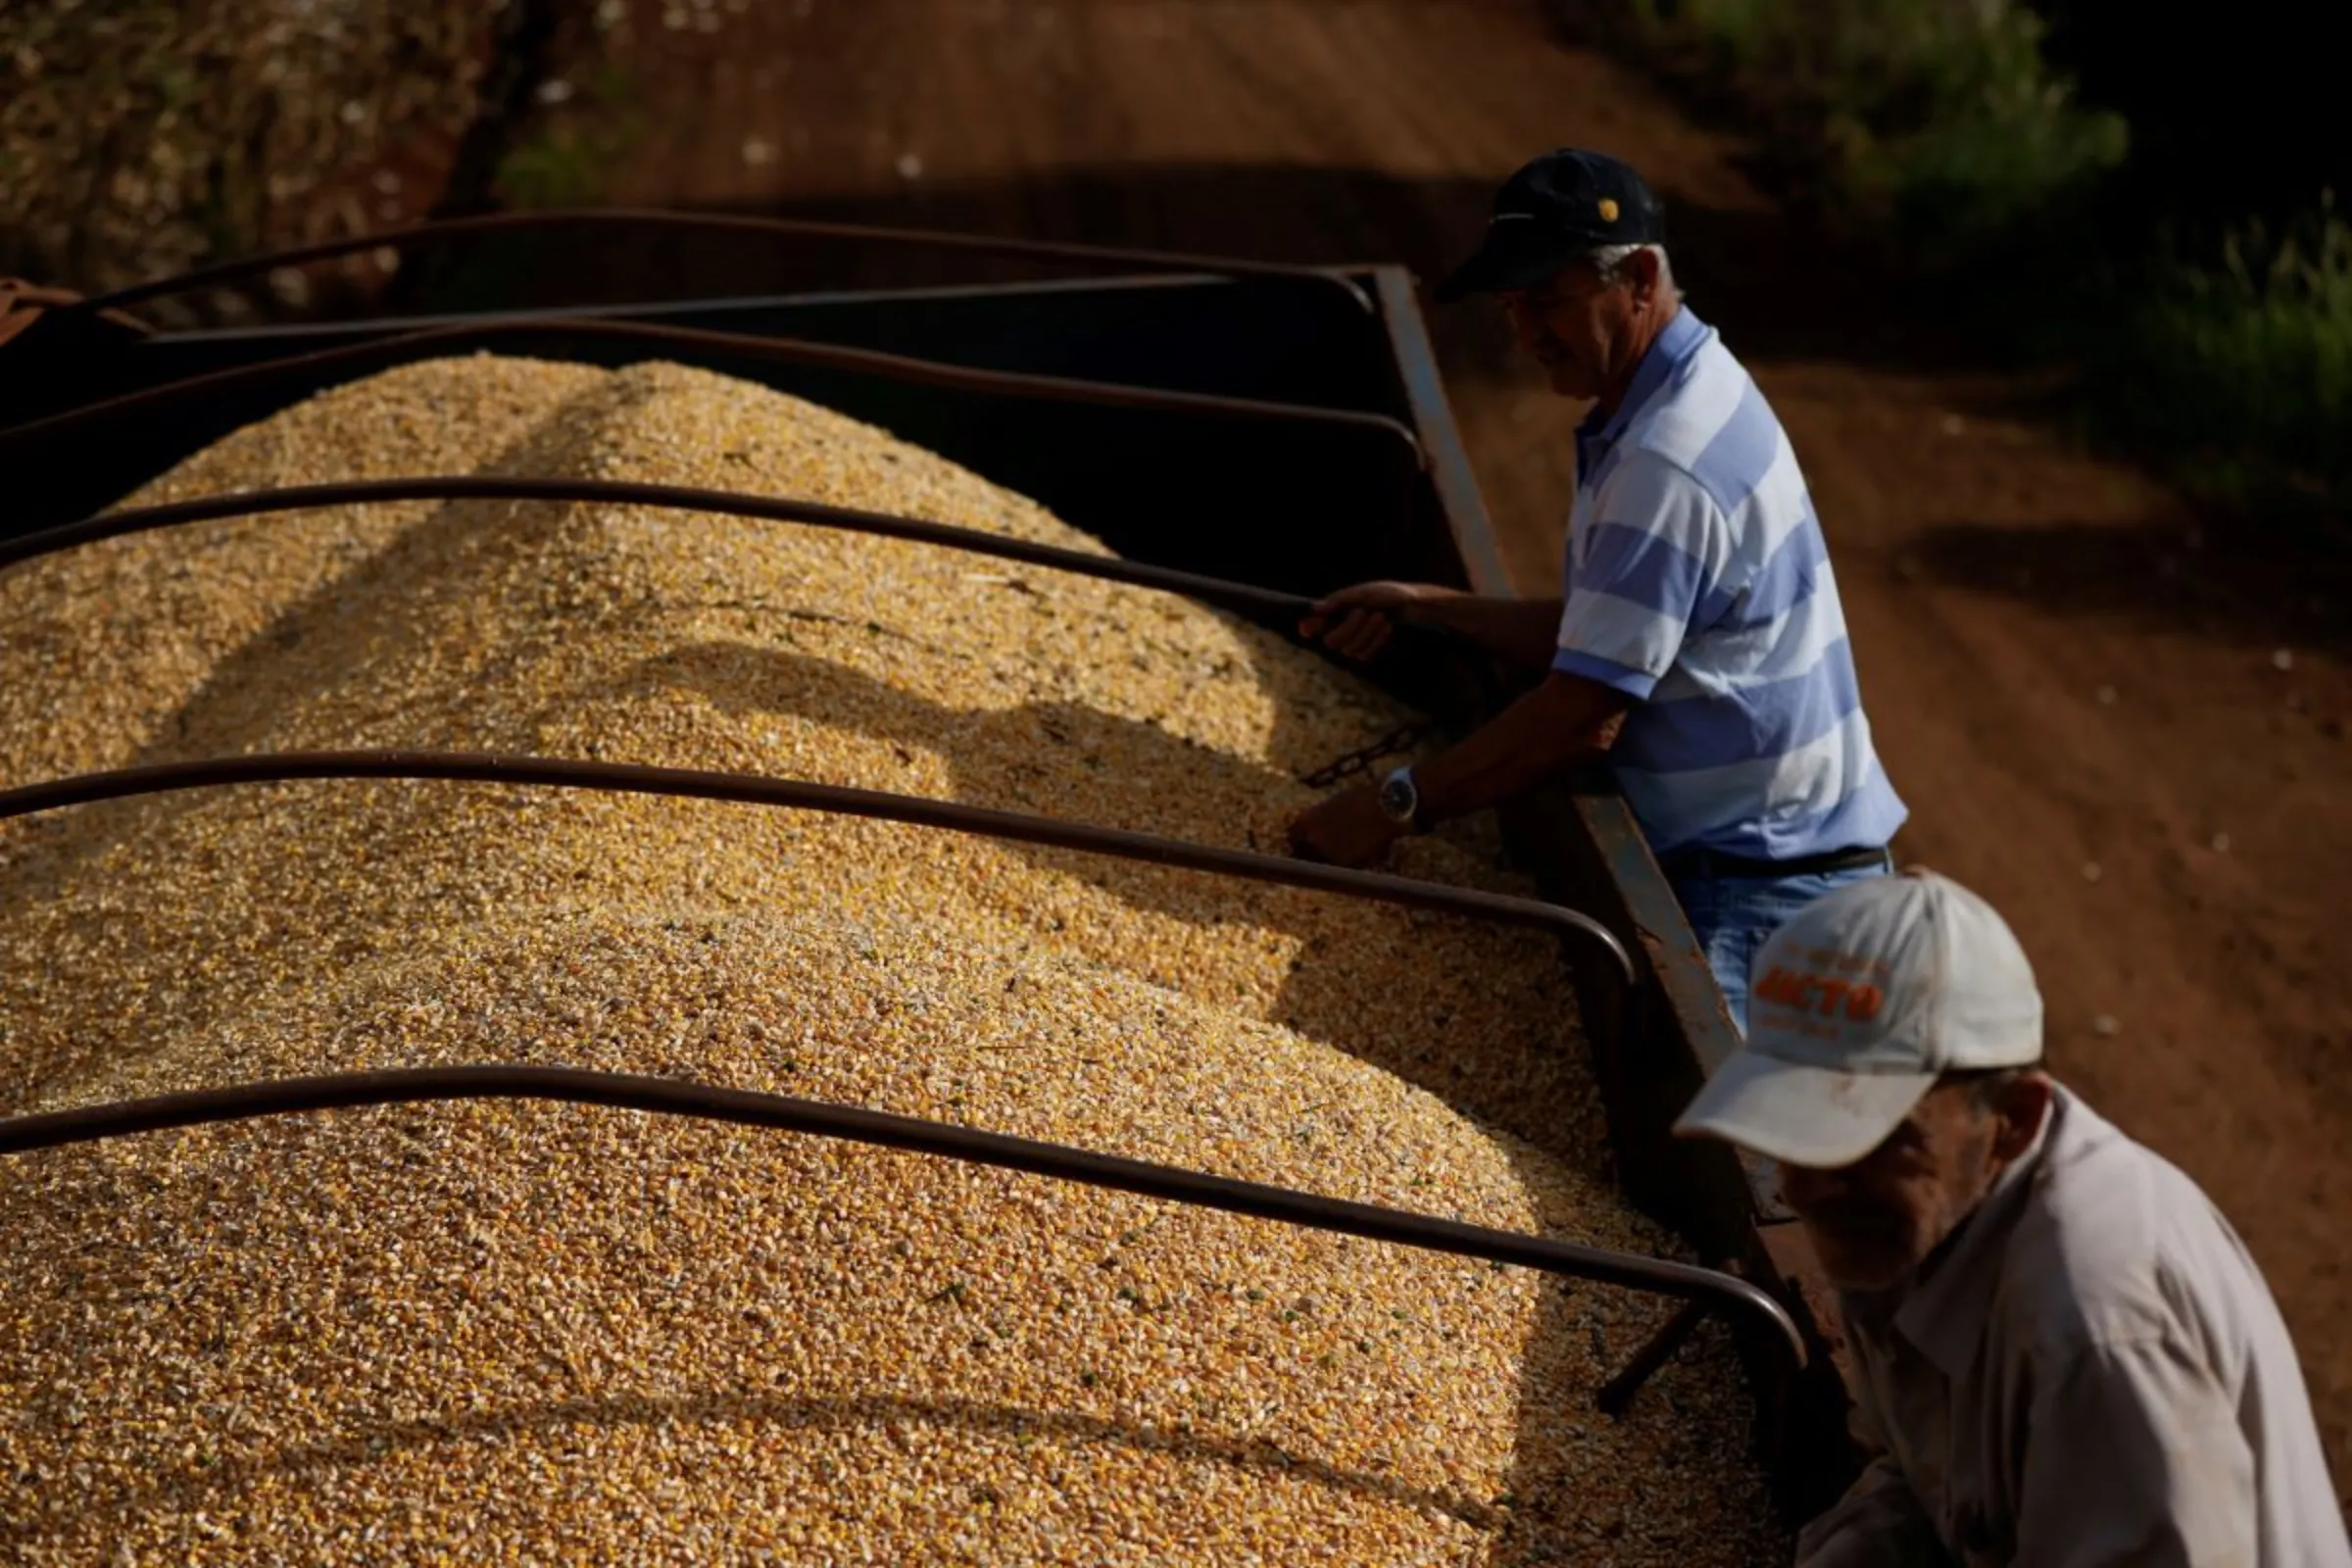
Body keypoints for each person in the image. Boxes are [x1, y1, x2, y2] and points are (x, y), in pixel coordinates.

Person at [1287, 148, 1907, 1030]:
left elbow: (1587, 710)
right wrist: (1435, 609)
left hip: (1765, 902)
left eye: (1547, 300)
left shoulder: (1669, 458)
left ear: (1642, 277)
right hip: (1783, 875)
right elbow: (1617, 641)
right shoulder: (1677, 394)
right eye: (1511, 306)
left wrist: (1396, 803)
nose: (1527, 334)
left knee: (1758, 1159)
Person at [1673, 867, 2352, 1565]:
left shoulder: (2095, 1332)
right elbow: (1924, 1481)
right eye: (1797, 1130)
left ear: (2014, 1120)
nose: (1812, 1188)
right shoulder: (1905, 1229)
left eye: (1871, 1138)